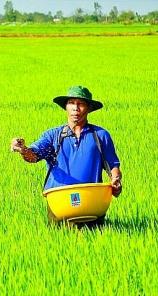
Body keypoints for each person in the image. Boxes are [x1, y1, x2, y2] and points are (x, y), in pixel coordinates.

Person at [11, 86, 122, 227]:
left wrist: (116, 179)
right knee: (60, 245)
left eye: (81, 104)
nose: (76, 108)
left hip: (91, 203)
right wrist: (23, 149)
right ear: (66, 107)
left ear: (88, 108)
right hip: (59, 204)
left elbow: (113, 165)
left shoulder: (100, 135)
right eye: (71, 103)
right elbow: (33, 156)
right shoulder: (53, 136)